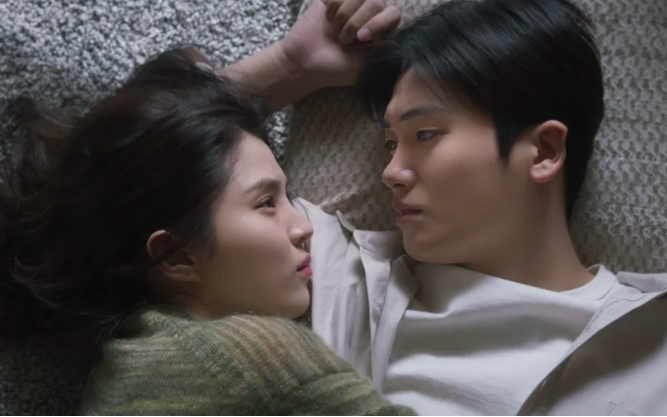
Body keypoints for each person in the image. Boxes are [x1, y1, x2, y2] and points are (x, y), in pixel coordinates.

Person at [232, 0, 667, 415]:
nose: (391, 172)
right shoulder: (336, 271)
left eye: (425, 134)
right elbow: (184, 163)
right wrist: (292, 66)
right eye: (390, 144)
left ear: (543, 152)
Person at [0, 1, 416, 415]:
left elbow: (154, 143)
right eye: (266, 203)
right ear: (177, 255)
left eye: (287, 197)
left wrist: (294, 63)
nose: (303, 225)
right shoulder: (255, 356)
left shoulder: (130, 364)